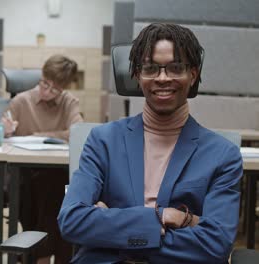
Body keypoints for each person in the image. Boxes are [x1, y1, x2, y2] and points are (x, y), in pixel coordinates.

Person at [58, 23, 243, 263]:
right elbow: (72, 221)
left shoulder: (222, 154)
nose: (163, 78)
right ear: (137, 75)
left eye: (176, 68)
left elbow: (215, 244)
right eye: (150, 68)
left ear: (193, 74)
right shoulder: (103, 141)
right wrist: (163, 218)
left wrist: (112, 228)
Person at [2, 55, 83, 264]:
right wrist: (6, 131)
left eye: (54, 89)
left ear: (63, 89)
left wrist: (39, 136)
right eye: (44, 84)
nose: (47, 91)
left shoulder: (69, 102)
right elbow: (2, 135)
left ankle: (40, 256)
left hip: (54, 175)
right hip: (24, 176)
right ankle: (54, 257)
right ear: (41, 77)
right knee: (57, 193)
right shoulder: (21, 101)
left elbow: (78, 132)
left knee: (60, 189)